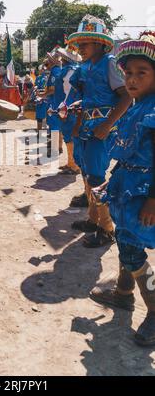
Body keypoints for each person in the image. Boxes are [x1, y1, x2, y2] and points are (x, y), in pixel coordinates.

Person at [90, 32, 155, 347]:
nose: (131, 79)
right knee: (124, 239)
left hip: (144, 195)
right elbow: (128, 153)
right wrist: (109, 180)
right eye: (128, 73)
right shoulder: (136, 106)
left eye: (141, 73)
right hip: (126, 189)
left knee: (131, 249)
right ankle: (124, 293)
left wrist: (153, 201)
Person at [67, 15, 132, 248]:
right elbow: (86, 99)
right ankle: (93, 220)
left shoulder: (110, 63)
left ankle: (107, 229)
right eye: (79, 44)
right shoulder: (87, 66)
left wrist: (107, 125)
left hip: (103, 130)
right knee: (86, 174)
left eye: (84, 44)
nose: (80, 48)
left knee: (96, 177)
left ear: (99, 43)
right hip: (86, 129)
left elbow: (127, 96)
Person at [54, 46, 82, 175]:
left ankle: (74, 165)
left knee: (70, 134)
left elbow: (72, 91)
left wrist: (66, 106)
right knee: (67, 134)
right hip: (66, 105)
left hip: (69, 106)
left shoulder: (71, 71)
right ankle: (70, 162)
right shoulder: (68, 70)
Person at [45, 49, 63, 157]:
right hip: (55, 101)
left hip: (54, 101)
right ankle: (58, 147)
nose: (47, 62)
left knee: (55, 125)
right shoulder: (56, 70)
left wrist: (42, 95)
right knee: (56, 125)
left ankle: (56, 148)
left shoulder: (55, 71)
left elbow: (53, 89)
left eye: (48, 60)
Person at [34, 65, 48, 131]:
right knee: (39, 115)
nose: (42, 70)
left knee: (48, 115)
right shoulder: (38, 78)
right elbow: (35, 86)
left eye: (43, 69)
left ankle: (49, 131)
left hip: (46, 98)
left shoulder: (47, 77)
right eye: (41, 69)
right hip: (38, 99)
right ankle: (39, 130)